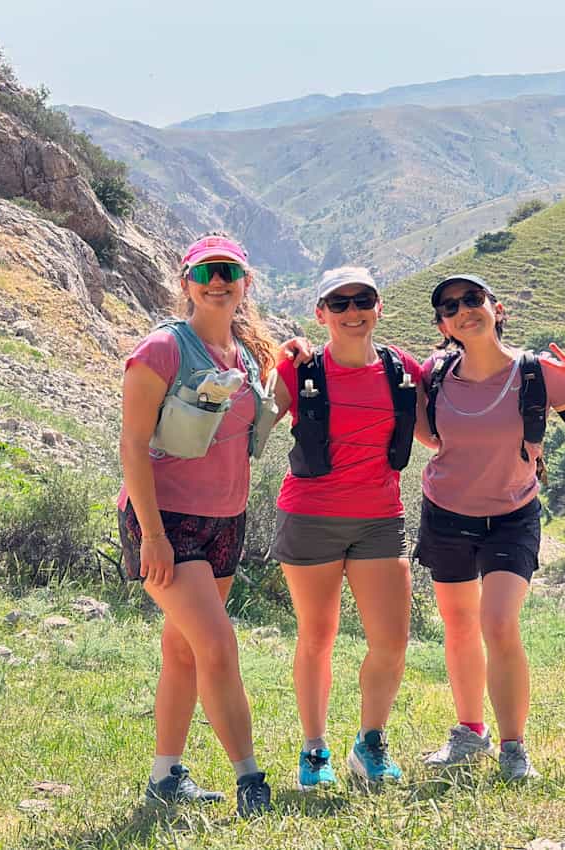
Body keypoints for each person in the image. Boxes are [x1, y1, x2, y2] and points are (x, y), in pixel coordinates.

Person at [118, 233, 297, 817]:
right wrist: (154, 535)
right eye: (206, 273)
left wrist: (296, 358)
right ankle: (251, 783)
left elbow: (266, 409)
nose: (217, 282)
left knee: (186, 651)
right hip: (165, 522)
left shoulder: (245, 356)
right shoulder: (162, 350)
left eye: (229, 271)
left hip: (226, 521)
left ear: (245, 282)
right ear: (186, 281)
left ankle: (165, 778)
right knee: (218, 645)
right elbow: (133, 446)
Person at [414, 273, 565, 781]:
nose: (464, 310)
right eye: (451, 307)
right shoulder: (435, 374)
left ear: (496, 308)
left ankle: (513, 747)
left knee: (499, 623)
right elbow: (423, 434)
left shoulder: (537, 373)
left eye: (473, 299)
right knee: (459, 627)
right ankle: (468, 733)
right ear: (443, 325)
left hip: (512, 515)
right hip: (447, 512)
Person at [270, 266, 421, 790]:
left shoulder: (405, 370)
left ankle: (370, 742)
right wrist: (274, 365)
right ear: (321, 315)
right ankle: (314, 751)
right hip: (310, 516)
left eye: (364, 301)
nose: (353, 312)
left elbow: (438, 434)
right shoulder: (301, 371)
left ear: (379, 307)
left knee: (392, 641)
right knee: (317, 636)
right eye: (340, 304)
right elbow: (253, 426)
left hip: (380, 518)